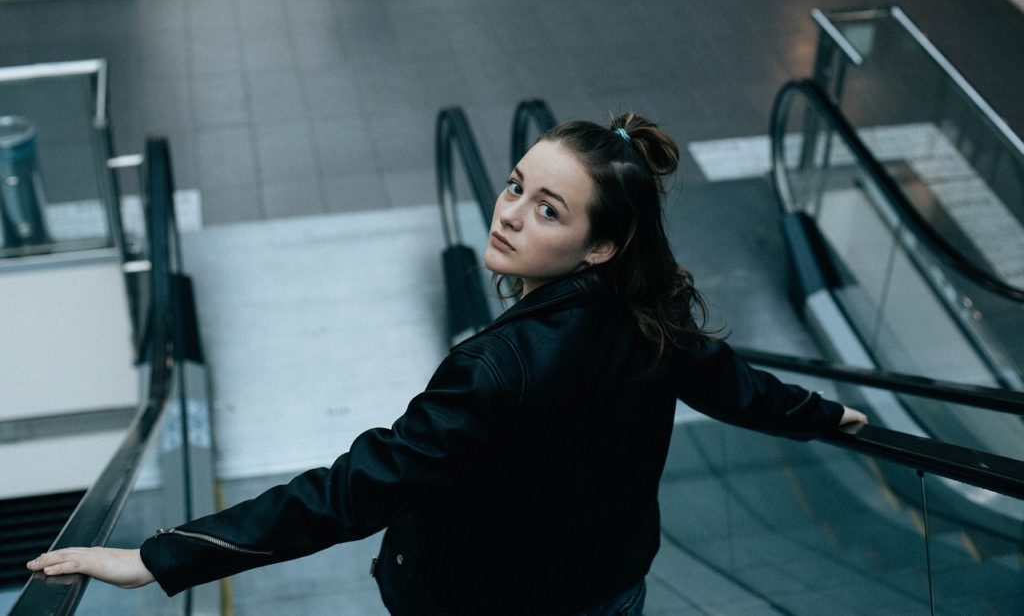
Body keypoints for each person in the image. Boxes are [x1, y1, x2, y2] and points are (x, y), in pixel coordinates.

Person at [28, 113, 867, 615]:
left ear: (600, 245)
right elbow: (735, 386)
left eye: (549, 210)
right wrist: (827, 416)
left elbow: (358, 488)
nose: (510, 214)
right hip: (611, 590)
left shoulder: (495, 367)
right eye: (515, 186)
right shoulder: (653, 323)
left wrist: (160, 557)